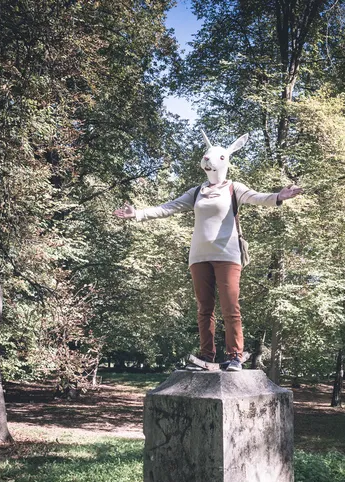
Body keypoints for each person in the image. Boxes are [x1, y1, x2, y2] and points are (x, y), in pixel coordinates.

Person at [114, 131, 302, 371]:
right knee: (204, 308)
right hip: (199, 257)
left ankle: (235, 355)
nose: (209, 162)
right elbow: (168, 208)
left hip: (227, 255)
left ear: (226, 161)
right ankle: (207, 356)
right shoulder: (196, 192)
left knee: (230, 306)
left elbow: (258, 198)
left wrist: (278, 196)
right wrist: (137, 213)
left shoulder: (235, 188)